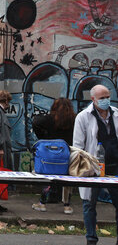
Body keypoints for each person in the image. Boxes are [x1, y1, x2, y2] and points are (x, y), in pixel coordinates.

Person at [73, 84, 118, 245]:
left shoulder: (116, 114)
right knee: (89, 204)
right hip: (93, 166)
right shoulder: (83, 117)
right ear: (93, 99)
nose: (106, 100)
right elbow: (78, 146)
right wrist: (82, 167)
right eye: (102, 98)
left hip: (115, 166)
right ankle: (91, 238)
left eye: (108, 97)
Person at [32, 98, 76, 214]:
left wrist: (44, 139)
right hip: (67, 153)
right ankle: (67, 206)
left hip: (50, 154)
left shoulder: (49, 119)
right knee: (68, 179)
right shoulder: (74, 119)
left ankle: (42, 203)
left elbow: (36, 122)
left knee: (49, 179)